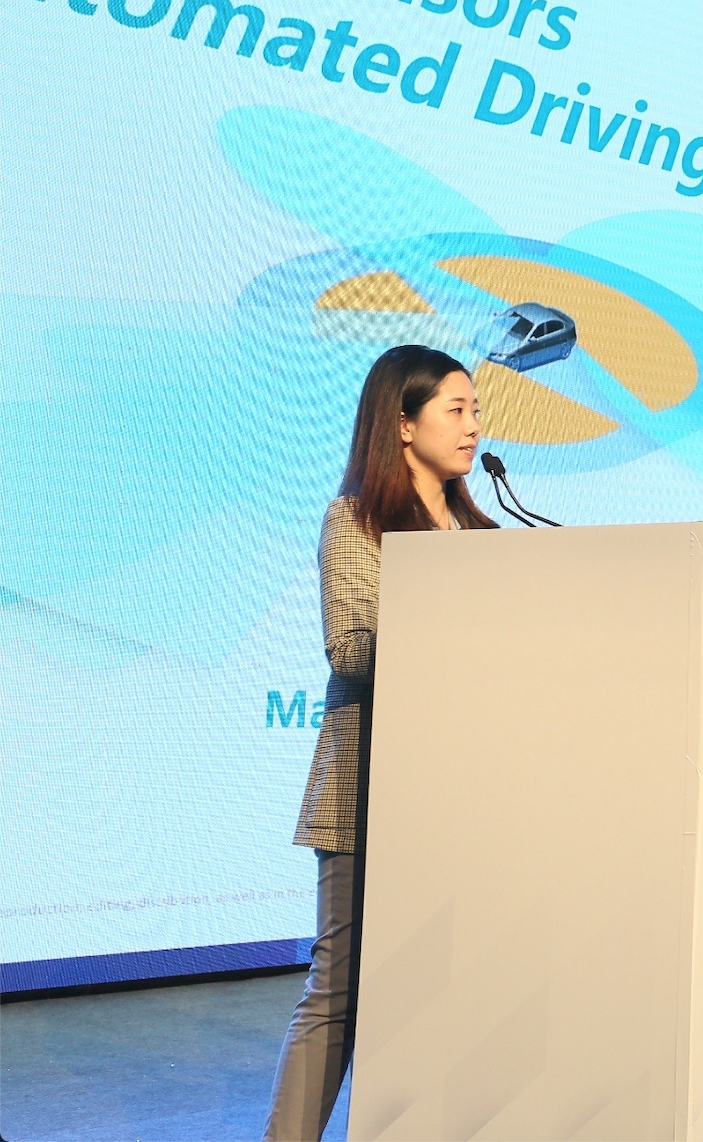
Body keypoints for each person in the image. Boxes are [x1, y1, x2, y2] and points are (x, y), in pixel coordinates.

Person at [264, 346, 499, 1141]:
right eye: (455, 410)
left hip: (464, 791)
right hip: (369, 783)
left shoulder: (483, 531)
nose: (473, 426)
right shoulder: (356, 520)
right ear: (402, 425)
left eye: (475, 410)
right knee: (341, 986)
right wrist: (445, 626)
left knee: (451, 986)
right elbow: (351, 649)